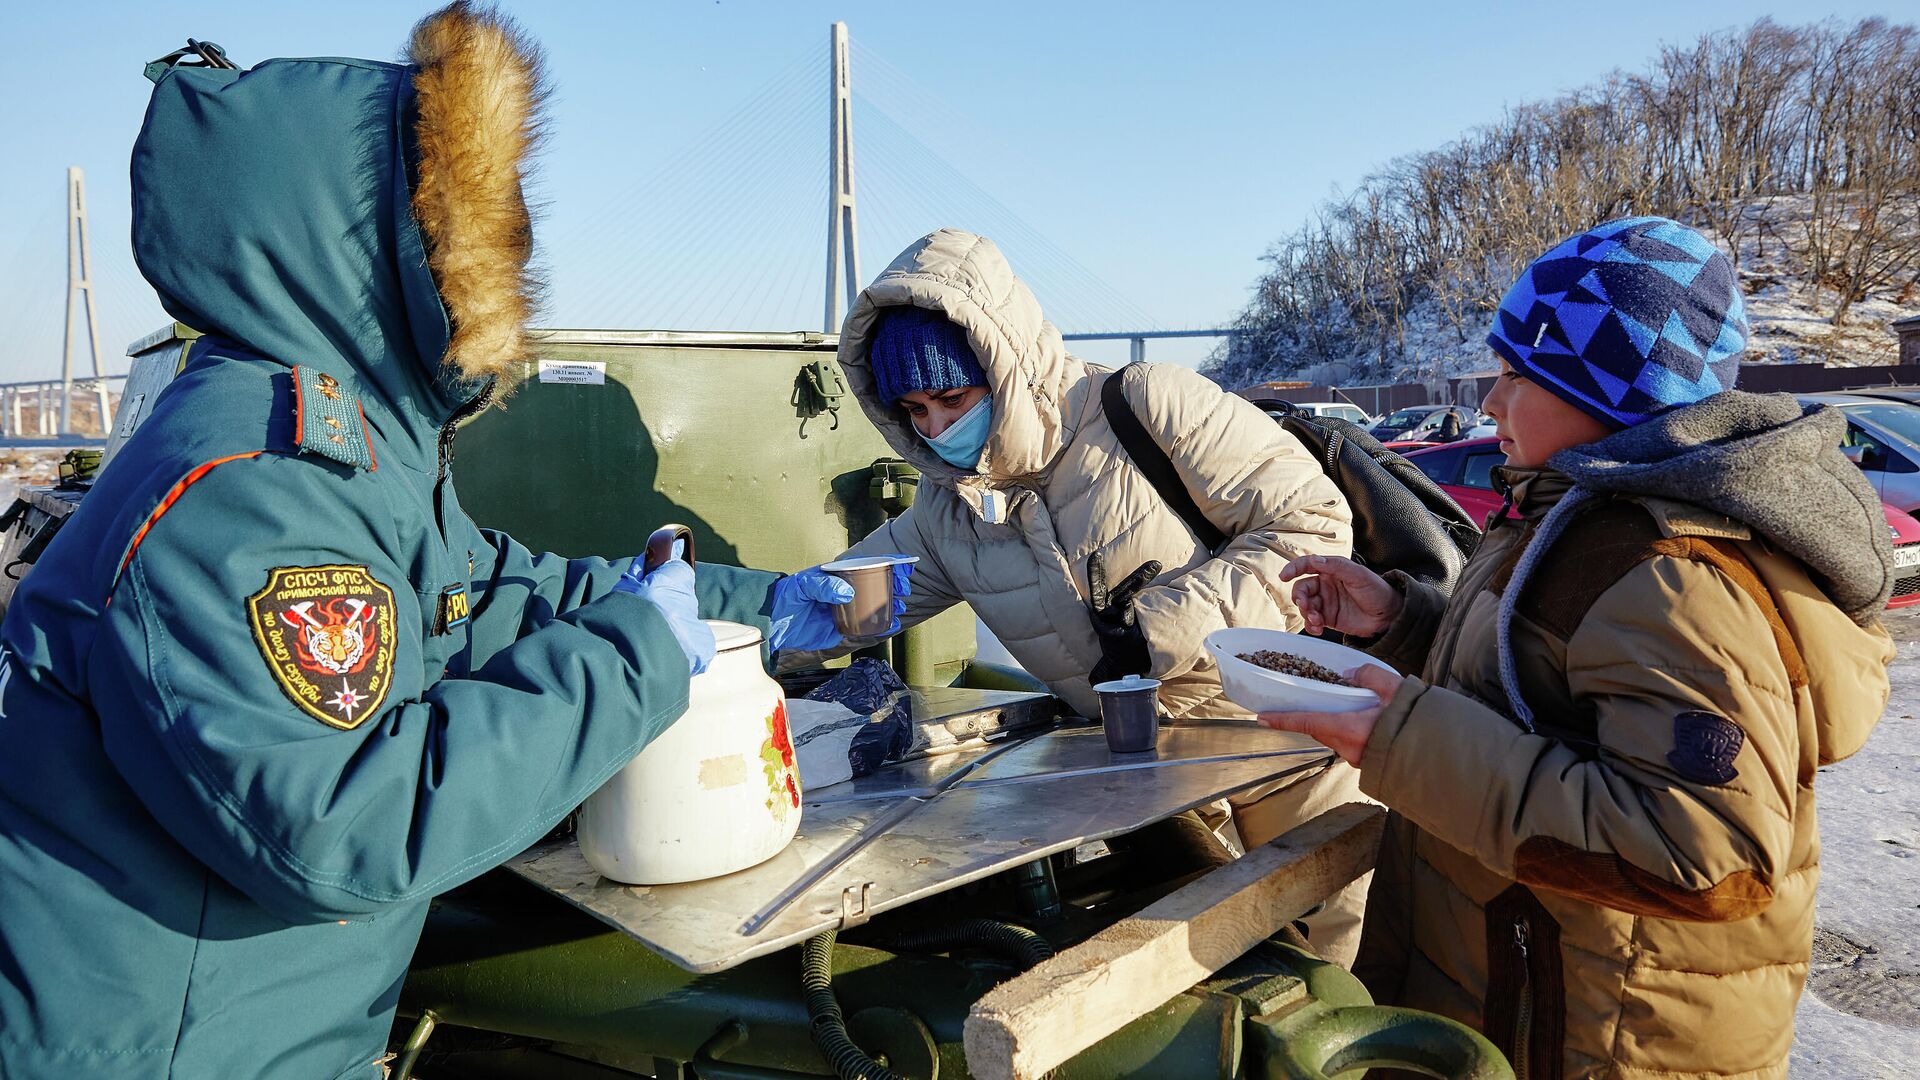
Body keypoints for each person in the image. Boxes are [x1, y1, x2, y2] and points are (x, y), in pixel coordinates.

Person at [0, 8, 882, 1077]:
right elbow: (342, 828)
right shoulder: (249, 492)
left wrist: (761, 604)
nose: (501, 258)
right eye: (469, 227)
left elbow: (491, 592)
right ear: (376, 246)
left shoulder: (351, 450)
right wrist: (638, 654)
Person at [1263, 216, 1894, 1078]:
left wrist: (1402, 741)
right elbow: (1541, 691)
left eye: (1515, 375)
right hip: (1528, 997)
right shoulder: (1569, 512)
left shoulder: (1671, 572)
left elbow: (1704, 854)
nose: (1488, 402)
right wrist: (1403, 627)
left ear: (1606, 394)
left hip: (1602, 1038)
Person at [806, 228, 1373, 964]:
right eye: (913, 410)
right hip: (1159, 786)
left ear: (1004, 366)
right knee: (1232, 983)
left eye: (952, 397)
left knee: (1340, 963)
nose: (937, 428)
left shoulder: (1144, 407)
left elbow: (1312, 525)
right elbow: (842, 601)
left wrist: (1164, 629)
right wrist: (700, 632)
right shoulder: (948, 513)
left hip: (1287, 740)